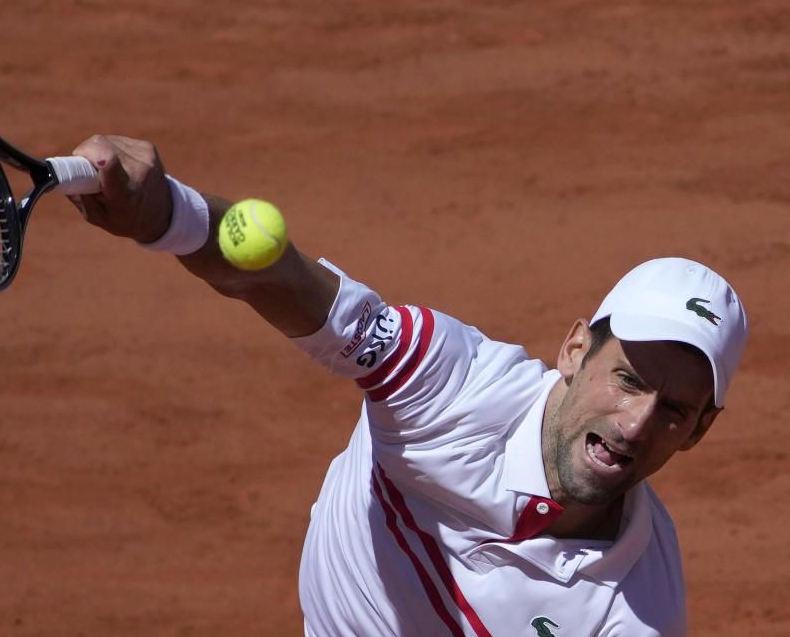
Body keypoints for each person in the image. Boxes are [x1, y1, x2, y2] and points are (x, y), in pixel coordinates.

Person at [68, 135, 748, 637]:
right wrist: (164, 214)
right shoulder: (452, 385)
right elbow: (286, 281)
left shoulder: (637, 614)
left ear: (698, 431)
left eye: (674, 409)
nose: (635, 424)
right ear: (573, 351)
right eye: (627, 379)